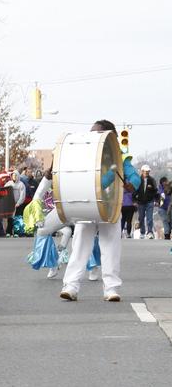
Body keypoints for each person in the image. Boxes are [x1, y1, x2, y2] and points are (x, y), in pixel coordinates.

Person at [60, 120, 141, 302]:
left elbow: (134, 176)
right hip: (86, 205)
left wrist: (132, 184)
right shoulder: (83, 155)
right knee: (80, 245)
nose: (92, 137)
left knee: (110, 247)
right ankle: (71, 286)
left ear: (109, 137)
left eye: (97, 134)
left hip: (110, 207)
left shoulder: (119, 157)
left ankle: (111, 288)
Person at [135, 164, 158, 239]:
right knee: (141, 218)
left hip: (149, 202)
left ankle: (150, 232)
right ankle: (142, 232)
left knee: (149, 218)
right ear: (142, 171)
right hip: (140, 202)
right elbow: (134, 191)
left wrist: (157, 200)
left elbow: (155, 191)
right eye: (145, 172)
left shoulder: (152, 180)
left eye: (148, 172)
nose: (147, 173)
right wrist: (134, 200)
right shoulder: (138, 180)